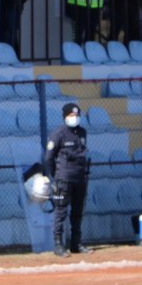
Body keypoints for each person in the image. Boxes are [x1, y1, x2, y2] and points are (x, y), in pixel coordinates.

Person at [44, 103, 91, 258]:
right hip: (64, 178)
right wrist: (56, 176)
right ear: (65, 117)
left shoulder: (82, 132)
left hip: (80, 178)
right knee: (61, 212)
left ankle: (76, 244)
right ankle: (58, 245)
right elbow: (49, 158)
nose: (74, 118)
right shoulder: (59, 134)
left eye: (76, 115)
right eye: (71, 115)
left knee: (77, 212)